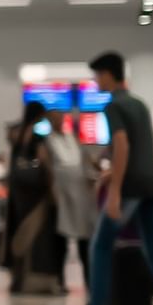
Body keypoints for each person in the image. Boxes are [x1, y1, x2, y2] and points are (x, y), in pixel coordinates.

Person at [62, 52, 153, 305]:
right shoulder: (139, 103)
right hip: (152, 182)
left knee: (101, 245)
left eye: (97, 75)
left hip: (130, 186)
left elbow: (122, 145)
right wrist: (110, 173)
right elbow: (142, 148)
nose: (95, 81)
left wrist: (114, 190)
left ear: (107, 74)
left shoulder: (114, 105)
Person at [3, 101, 62, 295]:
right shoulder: (38, 138)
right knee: (39, 236)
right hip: (36, 196)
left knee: (19, 232)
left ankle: (18, 280)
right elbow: (45, 163)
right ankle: (37, 280)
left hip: (19, 196)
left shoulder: (15, 134)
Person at [44, 113, 100, 290]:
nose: (59, 121)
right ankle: (60, 279)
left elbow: (86, 161)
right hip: (62, 193)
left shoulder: (73, 139)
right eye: (55, 119)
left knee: (84, 238)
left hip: (81, 194)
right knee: (61, 240)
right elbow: (49, 169)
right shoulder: (48, 141)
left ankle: (90, 280)